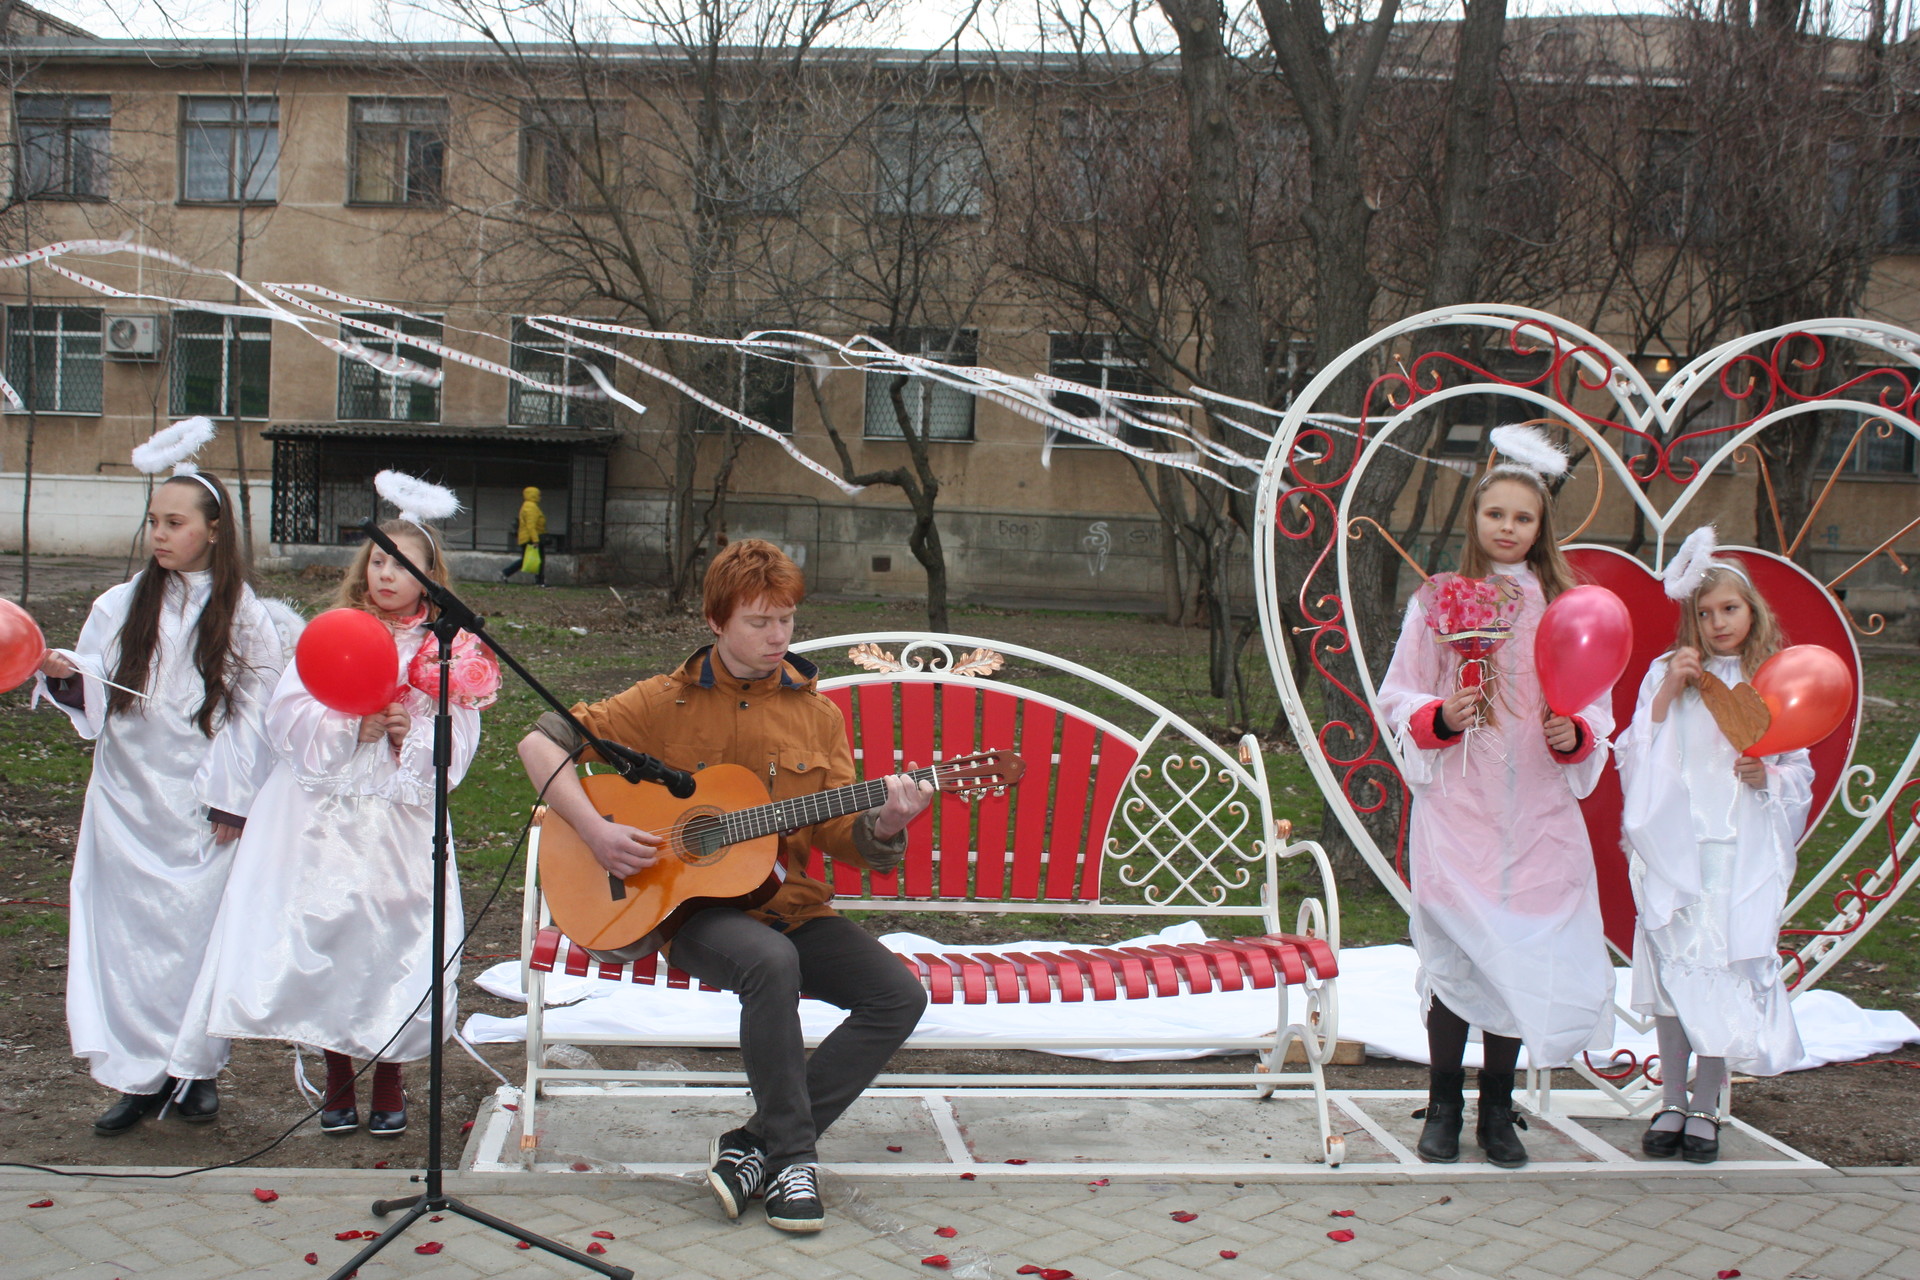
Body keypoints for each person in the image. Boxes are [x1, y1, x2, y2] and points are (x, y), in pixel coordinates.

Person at [517, 539, 932, 1233]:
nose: (777, 638)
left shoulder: (816, 714)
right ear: (717, 620)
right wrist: (594, 830)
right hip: (689, 912)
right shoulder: (662, 702)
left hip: (789, 904)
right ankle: (796, 1159)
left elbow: (840, 837)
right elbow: (540, 741)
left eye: (787, 621)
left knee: (897, 995)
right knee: (770, 964)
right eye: (759, 622)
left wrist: (885, 820)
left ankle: (756, 1147)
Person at [173, 491, 498, 1137]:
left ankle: (388, 1078)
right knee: (327, 939)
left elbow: (459, 741)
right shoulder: (333, 632)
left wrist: (413, 735)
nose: (385, 574)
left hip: (399, 824)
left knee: (390, 945)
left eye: (403, 565)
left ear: (429, 576)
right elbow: (286, 719)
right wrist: (355, 726)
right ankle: (338, 1075)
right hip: (321, 819)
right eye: (378, 560)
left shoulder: (449, 649)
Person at [37, 440, 297, 1135]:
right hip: (125, 803)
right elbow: (94, 682)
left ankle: (194, 1069)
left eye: (175, 522)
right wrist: (62, 671)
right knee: (125, 940)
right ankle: (135, 1073)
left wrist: (234, 798)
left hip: (201, 805)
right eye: (154, 521)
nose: (160, 534)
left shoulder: (245, 615)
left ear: (214, 530)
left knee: (195, 938)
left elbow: (258, 713)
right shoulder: (119, 603)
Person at [1376, 424, 1617, 1169]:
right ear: (1475, 521)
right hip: (1461, 805)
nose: (1508, 528)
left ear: (1541, 528)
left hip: (1537, 811)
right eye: (1495, 515)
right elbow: (1399, 693)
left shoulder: (1564, 607)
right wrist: (1437, 716)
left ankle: (1498, 1109)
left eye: (1523, 518)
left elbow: (1597, 705)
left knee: (1521, 952)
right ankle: (1443, 1104)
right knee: (1456, 950)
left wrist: (1572, 731)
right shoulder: (1439, 604)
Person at [1618, 526, 1812, 1163]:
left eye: (1729, 608)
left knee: (1719, 972)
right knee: (1676, 975)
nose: (1717, 621)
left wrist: (1771, 777)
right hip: (1676, 848)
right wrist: (1672, 687)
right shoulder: (1667, 675)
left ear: (1751, 610)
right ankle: (1671, 1100)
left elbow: (1796, 764)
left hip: (1735, 848)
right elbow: (1634, 752)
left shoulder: (1769, 679)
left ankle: (1706, 1105)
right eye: (1703, 613)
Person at [501, 485, 547, 586]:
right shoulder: (531, 507)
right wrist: (536, 540)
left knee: (527, 560)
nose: (540, 497)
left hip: (527, 537)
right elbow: (531, 526)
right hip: (531, 538)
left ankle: (506, 573)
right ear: (533, 495)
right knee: (537, 560)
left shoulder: (528, 505)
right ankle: (539, 581)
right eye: (538, 495)